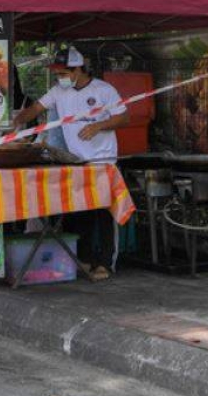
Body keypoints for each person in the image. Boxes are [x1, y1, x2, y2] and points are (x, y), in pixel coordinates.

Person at [13, 46, 129, 281]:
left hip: (102, 163)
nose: (60, 78)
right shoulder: (58, 92)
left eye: (63, 73)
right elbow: (35, 108)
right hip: (77, 162)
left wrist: (98, 125)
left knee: (103, 215)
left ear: (78, 69)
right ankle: (84, 259)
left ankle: (106, 263)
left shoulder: (103, 90)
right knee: (80, 214)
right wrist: (14, 122)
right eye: (58, 74)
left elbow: (124, 117)